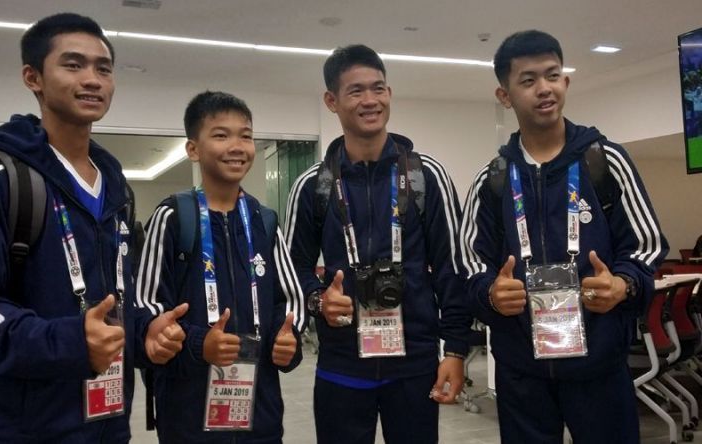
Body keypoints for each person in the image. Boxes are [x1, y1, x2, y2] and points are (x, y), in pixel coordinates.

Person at [0, 12, 184, 442]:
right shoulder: (0, 177)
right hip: (21, 428)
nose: (92, 79)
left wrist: (143, 332)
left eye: (103, 68)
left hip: (108, 422)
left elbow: (114, 297)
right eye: (73, 65)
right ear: (32, 76)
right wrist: (73, 341)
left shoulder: (116, 187)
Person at [460, 30, 669, 443]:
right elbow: (468, 265)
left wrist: (623, 285)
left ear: (566, 82)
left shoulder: (604, 161)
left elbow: (646, 246)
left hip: (599, 367)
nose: (544, 89)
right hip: (521, 373)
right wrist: (489, 293)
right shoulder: (494, 180)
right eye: (528, 80)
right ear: (505, 95)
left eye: (552, 75)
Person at [285, 44, 470, 443]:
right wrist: (317, 299)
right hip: (341, 362)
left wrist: (455, 350)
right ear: (331, 101)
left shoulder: (426, 176)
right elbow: (293, 270)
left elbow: (452, 269)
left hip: (415, 361)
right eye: (356, 91)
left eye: (379, 88)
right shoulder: (313, 186)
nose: (370, 100)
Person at [135, 91, 306, 443]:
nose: (237, 146)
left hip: (259, 412)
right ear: (193, 149)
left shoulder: (264, 220)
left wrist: (286, 337)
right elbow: (147, 309)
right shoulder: (172, 219)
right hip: (188, 415)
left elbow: (289, 299)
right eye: (221, 135)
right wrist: (199, 345)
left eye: (245, 135)